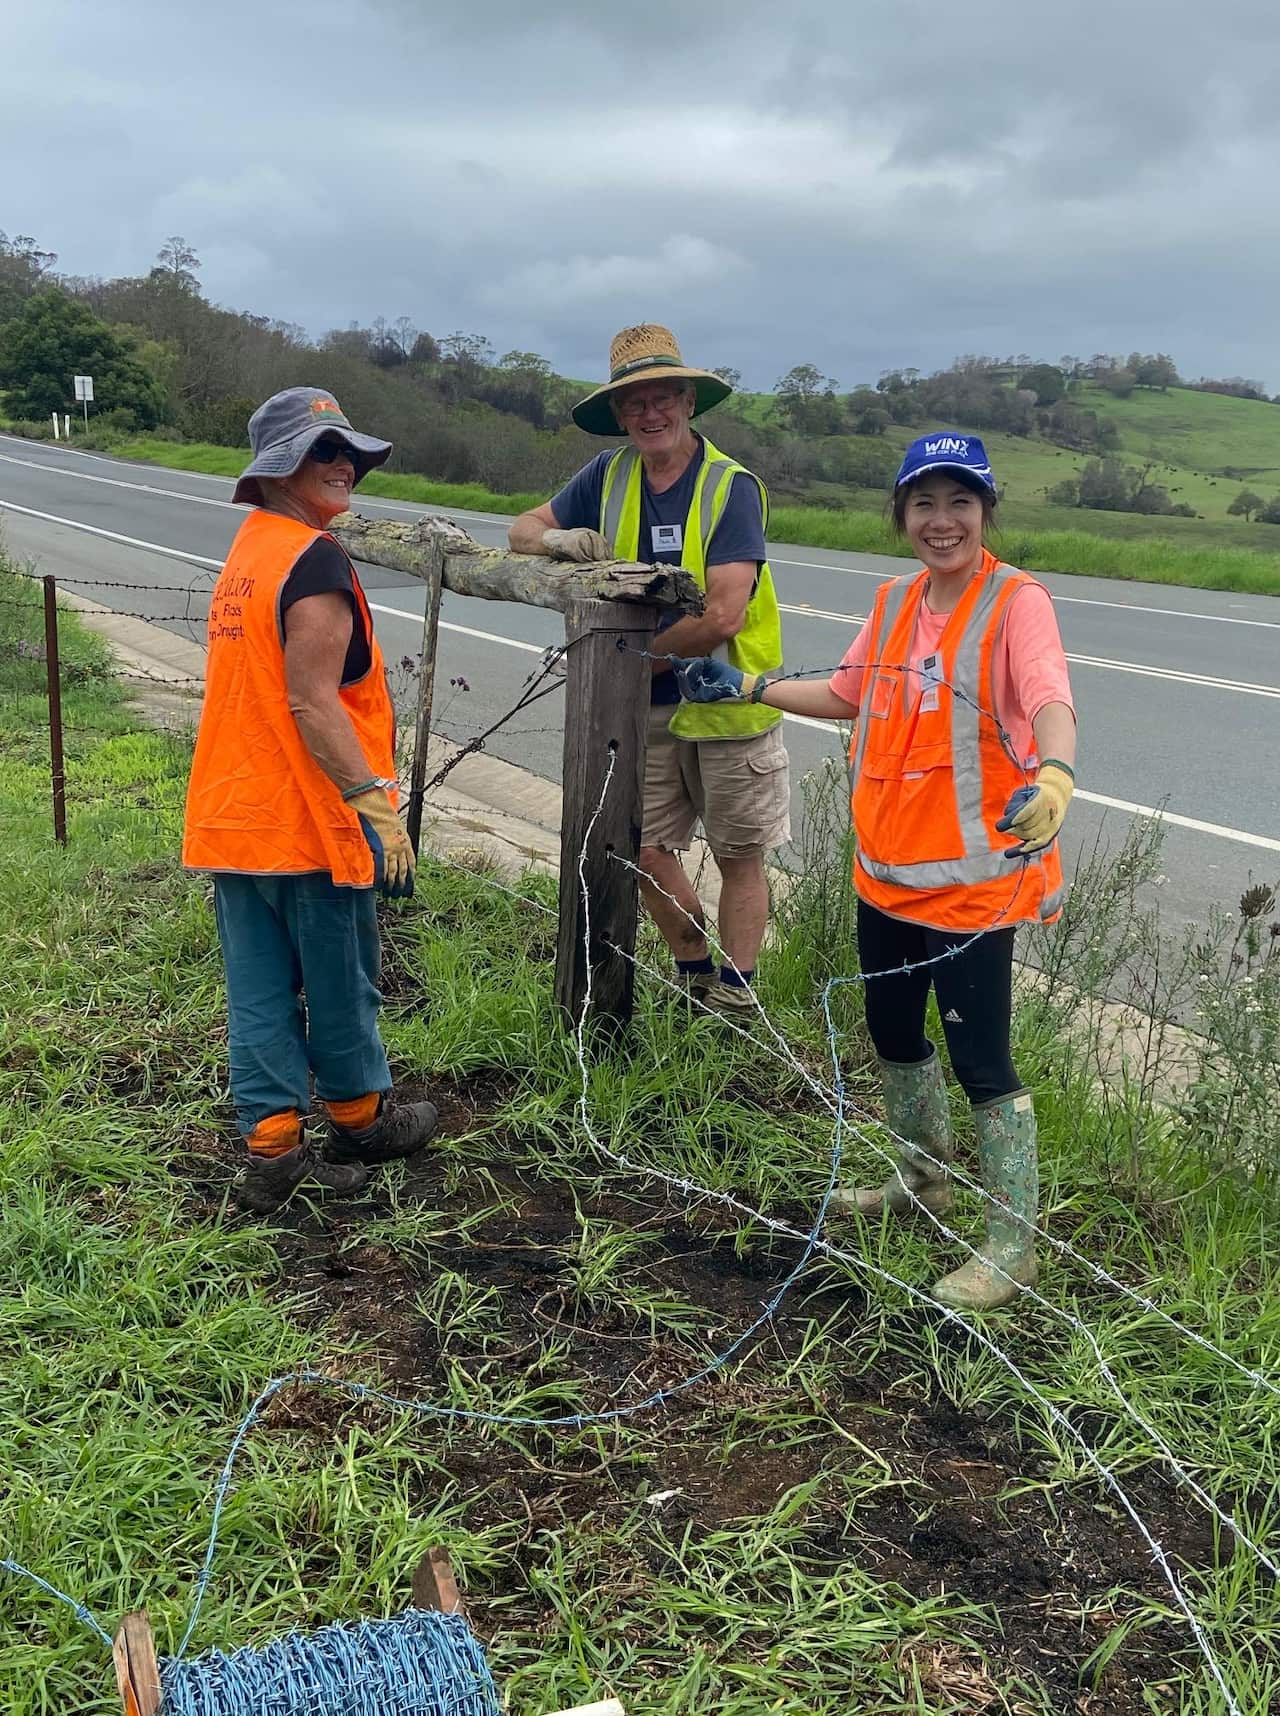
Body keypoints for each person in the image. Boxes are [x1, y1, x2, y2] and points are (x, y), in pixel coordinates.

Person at [671, 433, 1077, 1310]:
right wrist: (749, 689)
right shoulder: (895, 601)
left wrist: (1055, 773)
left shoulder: (1017, 601)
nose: (942, 522)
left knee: (982, 1061)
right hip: (887, 876)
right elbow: (850, 691)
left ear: (985, 511)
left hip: (974, 885)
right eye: (924, 504)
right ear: (901, 515)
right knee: (893, 1038)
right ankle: (921, 1180)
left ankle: (1012, 1247)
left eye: (959, 503)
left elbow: (1048, 695)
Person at [183, 387, 438, 1214]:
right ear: (278, 471)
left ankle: (272, 1153)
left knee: (256, 988)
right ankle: (362, 1121)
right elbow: (313, 701)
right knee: (340, 978)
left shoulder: (252, 547)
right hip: (306, 819)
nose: (342, 466)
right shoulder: (314, 560)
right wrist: (374, 804)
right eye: (322, 452)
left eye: (349, 454)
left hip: (232, 812)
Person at [509, 324, 789, 1014]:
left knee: (739, 855)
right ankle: (695, 967)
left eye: (663, 397)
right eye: (634, 404)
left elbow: (724, 614)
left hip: (728, 703)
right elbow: (518, 528)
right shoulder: (608, 474)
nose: (650, 414)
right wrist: (554, 538)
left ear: (689, 402)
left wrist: (633, 661)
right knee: (641, 846)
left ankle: (737, 999)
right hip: (647, 709)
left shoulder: (730, 487)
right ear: (619, 415)